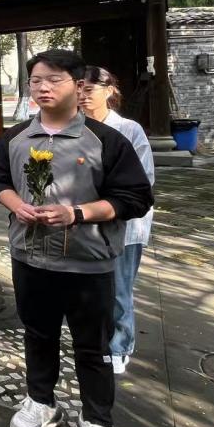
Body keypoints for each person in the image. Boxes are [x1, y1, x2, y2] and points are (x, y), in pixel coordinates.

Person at [0, 49, 153, 427]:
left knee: (93, 347)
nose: (43, 88)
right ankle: (41, 401)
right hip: (31, 258)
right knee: (38, 334)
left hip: (88, 263)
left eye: (54, 79)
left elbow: (136, 197)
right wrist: (16, 204)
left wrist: (77, 213)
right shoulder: (15, 138)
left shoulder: (106, 140)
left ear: (78, 86)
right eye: (36, 81)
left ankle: (97, 422)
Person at [79, 66, 155, 375]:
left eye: (89, 89)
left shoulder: (128, 130)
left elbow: (144, 180)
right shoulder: (76, 128)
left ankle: (120, 346)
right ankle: (96, 342)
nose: (82, 96)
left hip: (125, 225)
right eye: (79, 89)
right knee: (90, 290)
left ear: (109, 91)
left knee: (119, 290)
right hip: (85, 224)